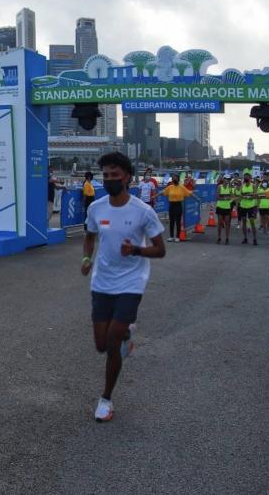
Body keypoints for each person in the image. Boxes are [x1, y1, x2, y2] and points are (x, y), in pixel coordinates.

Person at [82, 152, 166, 422]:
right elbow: (89, 237)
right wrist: (86, 258)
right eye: (105, 176)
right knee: (100, 345)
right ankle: (126, 337)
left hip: (131, 281)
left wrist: (137, 251)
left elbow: (160, 250)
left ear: (127, 177)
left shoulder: (143, 211)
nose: (109, 180)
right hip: (102, 281)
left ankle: (105, 399)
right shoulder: (96, 208)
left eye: (114, 175)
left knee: (112, 339)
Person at [158, 174, 197, 242]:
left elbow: (190, 193)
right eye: (173, 178)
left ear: (178, 179)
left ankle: (177, 237)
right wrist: (154, 196)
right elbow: (162, 192)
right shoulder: (170, 187)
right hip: (171, 205)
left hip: (178, 205)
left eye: (175, 178)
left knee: (178, 221)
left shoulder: (182, 187)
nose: (174, 179)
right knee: (171, 221)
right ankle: (171, 236)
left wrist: (197, 199)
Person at [237, 174, 259, 246]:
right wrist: (238, 201)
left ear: (250, 178)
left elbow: (255, 195)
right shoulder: (242, 186)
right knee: (244, 222)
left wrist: (250, 197)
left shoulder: (253, 186)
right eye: (245, 177)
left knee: (252, 223)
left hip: (251, 206)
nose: (246, 178)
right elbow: (240, 196)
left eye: (247, 177)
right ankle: (245, 238)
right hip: (243, 206)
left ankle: (255, 239)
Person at [215, 174, 235, 244]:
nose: (227, 180)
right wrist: (225, 198)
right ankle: (219, 237)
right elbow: (217, 197)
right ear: (223, 179)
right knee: (220, 223)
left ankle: (227, 238)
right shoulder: (219, 187)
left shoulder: (230, 188)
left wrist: (229, 199)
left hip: (227, 207)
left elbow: (232, 197)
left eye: (228, 179)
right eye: (226, 179)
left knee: (227, 223)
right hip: (220, 207)